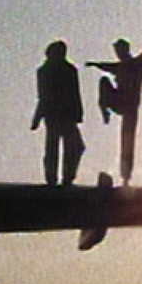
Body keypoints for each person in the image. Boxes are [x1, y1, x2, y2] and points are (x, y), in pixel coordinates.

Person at [86, 22, 142, 185]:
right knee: (104, 81)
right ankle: (104, 109)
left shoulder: (137, 63)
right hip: (118, 101)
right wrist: (94, 64)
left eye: (120, 51)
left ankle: (126, 176)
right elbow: (107, 67)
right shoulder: (120, 67)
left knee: (127, 141)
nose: (118, 55)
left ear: (125, 50)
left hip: (130, 108)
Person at [31, 40, 85, 186]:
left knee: (71, 146)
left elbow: (74, 92)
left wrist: (78, 112)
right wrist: (37, 116)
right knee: (55, 147)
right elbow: (43, 95)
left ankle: (64, 177)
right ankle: (54, 178)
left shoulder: (68, 69)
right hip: (55, 114)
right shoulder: (45, 71)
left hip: (65, 114)